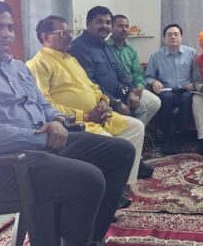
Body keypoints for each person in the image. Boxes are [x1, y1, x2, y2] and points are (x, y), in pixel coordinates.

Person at [0, 0, 134, 246]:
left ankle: (90, 239)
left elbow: (43, 105)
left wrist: (57, 120)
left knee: (120, 151)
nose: (6, 34)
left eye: (10, 27)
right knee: (88, 178)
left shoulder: (17, 67)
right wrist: (41, 138)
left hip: (39, 147)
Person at [27, 15, 153, 192]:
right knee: (112, 144)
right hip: (77, 122)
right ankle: (107, 189)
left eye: (70, 32)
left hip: (99, 114)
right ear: (46, 36)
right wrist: (85, 116)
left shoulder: (70, 59)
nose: (70, 36)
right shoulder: (38, 64)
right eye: (64, 33)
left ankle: (124, 184)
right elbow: (45, 104)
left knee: (136, 127)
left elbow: (91, 86)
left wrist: (103, 101)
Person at [69, 6, 153, 176]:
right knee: (136, 113)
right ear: (88, 23)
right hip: (101, 100)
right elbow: (90, 82)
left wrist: (131, 92)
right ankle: (125, 160)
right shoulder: (80, 47)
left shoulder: (105, 45)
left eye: (108, 22)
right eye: (99, 22)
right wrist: (115, 102)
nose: (105, 26)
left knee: (140, 106)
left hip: (117, 94)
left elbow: (120, 73)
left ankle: (132, 158)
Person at [144, 24, 196, 155]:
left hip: (185, 90)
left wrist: (193, 83)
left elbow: (198, 74)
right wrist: (154, 82)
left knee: (186, 98)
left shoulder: (191, 53)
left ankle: (178, 134)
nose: (173, 37)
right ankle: (167, 135)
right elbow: (148, 76)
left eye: (176, 34)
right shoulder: (156, 56)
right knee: (166, 98)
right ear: (164, 38)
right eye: (169, 35)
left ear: (181, 37)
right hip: (167, 90)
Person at [107, 14, 162, 124]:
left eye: (126, 26)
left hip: (133, 87)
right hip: (117, 89)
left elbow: (138, 72)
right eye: (120, 26)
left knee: (155, 102)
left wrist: (139, 87)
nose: (124, 29)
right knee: (140, 107)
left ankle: (138, 128)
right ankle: (132, 127)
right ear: (111, 28)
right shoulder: (105, 48)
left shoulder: (131, 50)